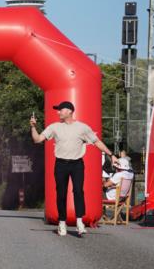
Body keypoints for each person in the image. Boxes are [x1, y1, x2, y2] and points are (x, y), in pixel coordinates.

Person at [31, 101, 114, 237]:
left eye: (60, 110)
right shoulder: (54, 127)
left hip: (77, 164)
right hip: (61, 164)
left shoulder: (82, 128)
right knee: (61, 194)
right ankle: (62, 223)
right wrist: (33, 127)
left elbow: (97, 142)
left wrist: (112, 155)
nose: (58, 112)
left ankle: (79, 222)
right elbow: (38, 139)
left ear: (69, 111)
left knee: (78, 191)